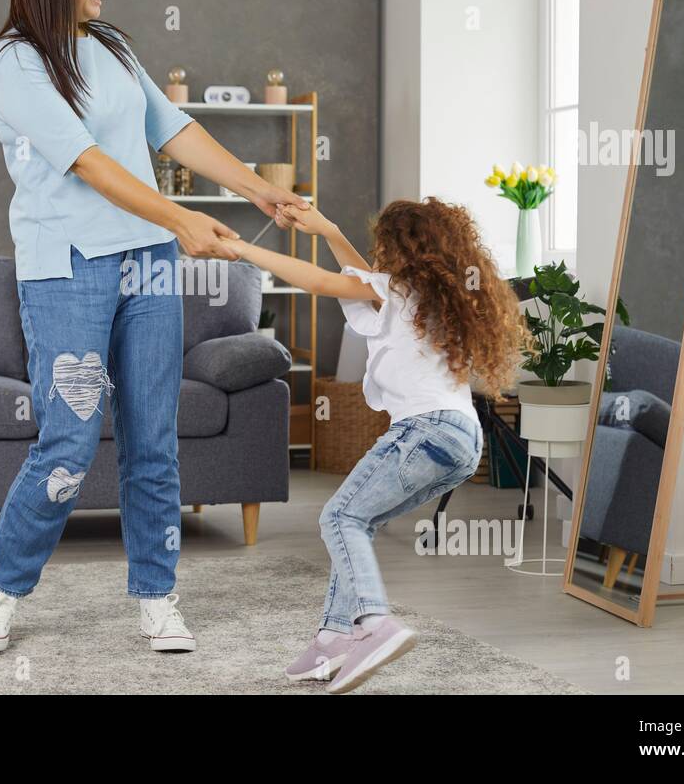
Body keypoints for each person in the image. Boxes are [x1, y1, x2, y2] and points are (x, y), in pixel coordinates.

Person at [0, 0, 309, 654]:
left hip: (148, 264)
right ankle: (3, 591)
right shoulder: (13, 61)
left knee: (154, 436)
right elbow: (86, 160)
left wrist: (257, 188)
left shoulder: (113, 47)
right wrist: (181, 219)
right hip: (67, 268)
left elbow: (173, 129)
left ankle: (157, 596)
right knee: (69, 438)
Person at [222, 197, 530, 693]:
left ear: (399, 247)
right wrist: (328, 228)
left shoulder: (398, 291)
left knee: (339, 519)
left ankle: (375, 624)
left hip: (423, 430)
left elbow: (322, 281)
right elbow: (361, 279)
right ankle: (332, 639)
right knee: (358, 523)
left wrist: (244, 250)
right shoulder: (429, 296)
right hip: (461, 438)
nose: (378, 254)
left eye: (382, 245)